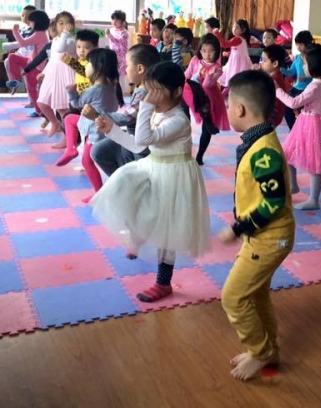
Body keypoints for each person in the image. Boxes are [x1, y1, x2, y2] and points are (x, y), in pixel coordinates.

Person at [93, 61, 210, 303]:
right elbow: (139, 145)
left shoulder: (178, 120)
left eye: (156, 91)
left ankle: (163, 282)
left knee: (168, 231)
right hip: (154, 166)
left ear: (177, 92)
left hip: (175, 175)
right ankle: (138, 233)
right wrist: (112, 130)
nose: (150, 97)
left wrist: (145, 106)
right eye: (149, 91)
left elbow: (143, 139)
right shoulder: (158, 112)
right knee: (124, 184)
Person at [216, 70, 295, 381]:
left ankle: (260, 353)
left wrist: (238, 228)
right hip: (261, 236)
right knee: (256, 293)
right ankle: (268, 349)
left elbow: (273, 202)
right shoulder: (257, 141)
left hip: (269, 238)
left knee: (233, 297)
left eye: (228, 105)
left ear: (240, 109)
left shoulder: (263, 151)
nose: (227, 110)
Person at [276, 45, 321, 210]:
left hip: (313, 126)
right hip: (311, 123)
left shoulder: (314, 86)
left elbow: (293, 102)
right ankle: (293, 186)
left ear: (313, 66)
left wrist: (278, 91)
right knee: (289, 153)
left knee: (313, 165)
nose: (303, 67)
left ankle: (313, 200)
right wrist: (308, 110)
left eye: (304, 64)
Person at [91, 44, 160, 177]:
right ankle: (122, 183)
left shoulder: (145, 91)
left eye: (127, 65)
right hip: (131, 136)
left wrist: (96, 115)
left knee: (101, 152)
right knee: (98, 150)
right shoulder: (141, 88)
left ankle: (125, 184)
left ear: (140, 69)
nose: (125, 69)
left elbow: (128, 116)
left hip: (140, 144)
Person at [63, 48, 121, 203]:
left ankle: (98, 193)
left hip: (95, 130)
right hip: (102, 125)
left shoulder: (95, 89)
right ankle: (70, 149)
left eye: (88, 63)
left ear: (98, 66)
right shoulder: (111, 84)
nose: (85, 66)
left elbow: (76, 103)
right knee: (69, 119)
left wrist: (71, 92)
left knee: (87, 161)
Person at [183, 34, 229, 165]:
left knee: (206, 129)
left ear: (217, 51)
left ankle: (199, 156)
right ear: (200, 50)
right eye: (204, 50)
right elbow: (186, 75)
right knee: (184, 117)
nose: (207, 54)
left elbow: (207, 85)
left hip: (209, 96)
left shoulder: (217, 68)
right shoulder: (195, 60)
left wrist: (208, 76)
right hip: (193, 93)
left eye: (211, 51)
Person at [55, 29, 100, 152]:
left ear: (95, 48)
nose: (81, 50)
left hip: (88, 101)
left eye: (86, 47)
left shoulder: (94, 62)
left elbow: (86, 73)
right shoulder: (81, 60)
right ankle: (72, 142)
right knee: (67, 117)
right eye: (78, 47)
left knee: (83, 124)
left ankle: (79, 145)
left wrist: (70, 61)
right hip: (78, 98)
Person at [36, 11, 77, 137]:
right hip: (52, 73)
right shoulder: (55, 40)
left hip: (66, 73)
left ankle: (68, 135)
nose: (64, 26)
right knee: (42, 102)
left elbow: (61, 48)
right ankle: (55, 123)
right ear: (55, 25)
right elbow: (53, 58)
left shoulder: (71, 40)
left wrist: (65, 33)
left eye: (67, 23)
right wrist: (43, 72)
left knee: (62, 108)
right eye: (61, 23)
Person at [5, 9, 50, 111]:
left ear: (37, 22)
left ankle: (38, 111)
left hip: (35, 66)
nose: (29, 23)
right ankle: (16, 80)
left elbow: (23, 43)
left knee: (32, 89)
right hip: (31, 61)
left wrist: (15, 31)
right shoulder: (40, 32)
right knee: (12, 57)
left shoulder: (40, 34)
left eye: (31, 21)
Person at [280, 30, 315, 130]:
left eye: (300, 44)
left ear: (308, 44)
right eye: (297, 44)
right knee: (287, 108)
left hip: (307, 90)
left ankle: (302, 130)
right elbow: (291, 72)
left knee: (304, 113)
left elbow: (316, 75)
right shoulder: (297, 58)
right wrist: (281, 70)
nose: (298, 47)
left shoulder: (313, 58)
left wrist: (305, 78)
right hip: (296, 89)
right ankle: (293, 130)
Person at [3, 4, 38, 98]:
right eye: (22, 15)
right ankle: (14, 82)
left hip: (30, 57)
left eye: (27, 16)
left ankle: (31, 99)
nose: (24, 18)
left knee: (28, 77)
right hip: (21, 53)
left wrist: (8, 45)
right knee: (7, 61)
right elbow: (20, 42)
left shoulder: (37, 31)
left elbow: (23, 43)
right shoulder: (24, 29)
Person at [258, 44, 290, 127]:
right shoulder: (276, 75)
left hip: (270, 117)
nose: (261, 63)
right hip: (272, 116)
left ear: (275, 63)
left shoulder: (273, 80)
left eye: (264, 60)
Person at [219, 19, 254, 87]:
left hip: (238, 64)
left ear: (243, 30)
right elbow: (238, 52)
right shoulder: (242, 39)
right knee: (237, 82)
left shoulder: (238, 39)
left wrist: (217, 33)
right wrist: (228, 53)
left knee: (234, 81)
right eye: (233, 26)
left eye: (237, 27)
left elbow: (224, 44)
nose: (234, 29)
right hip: (238, 63)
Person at [106, 10, 129, 91]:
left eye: (117, 20)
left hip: (121, 58)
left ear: (122, 22)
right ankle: (113, 92)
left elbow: (118, 41)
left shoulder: (124, 32)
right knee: (112, 74)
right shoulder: (112, 30)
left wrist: (109, 35)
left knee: (120, 77)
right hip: (112, 55)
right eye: (113, 19)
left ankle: (121, 94)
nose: (114, 22)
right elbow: (110, 41)